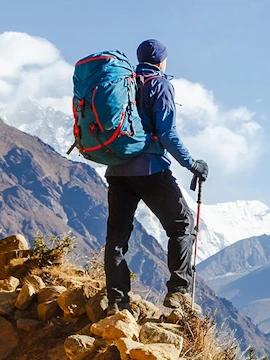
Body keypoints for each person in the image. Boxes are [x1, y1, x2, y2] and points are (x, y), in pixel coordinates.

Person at [104, 39, 208, 316]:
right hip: (150, 169)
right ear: (162, 61)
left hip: (116, 170)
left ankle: (116, 301)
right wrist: (192, 163)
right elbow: (166, 133)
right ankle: (178, 292)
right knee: (181, 224)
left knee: (116, 238)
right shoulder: (158, 84)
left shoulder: (122, 83)